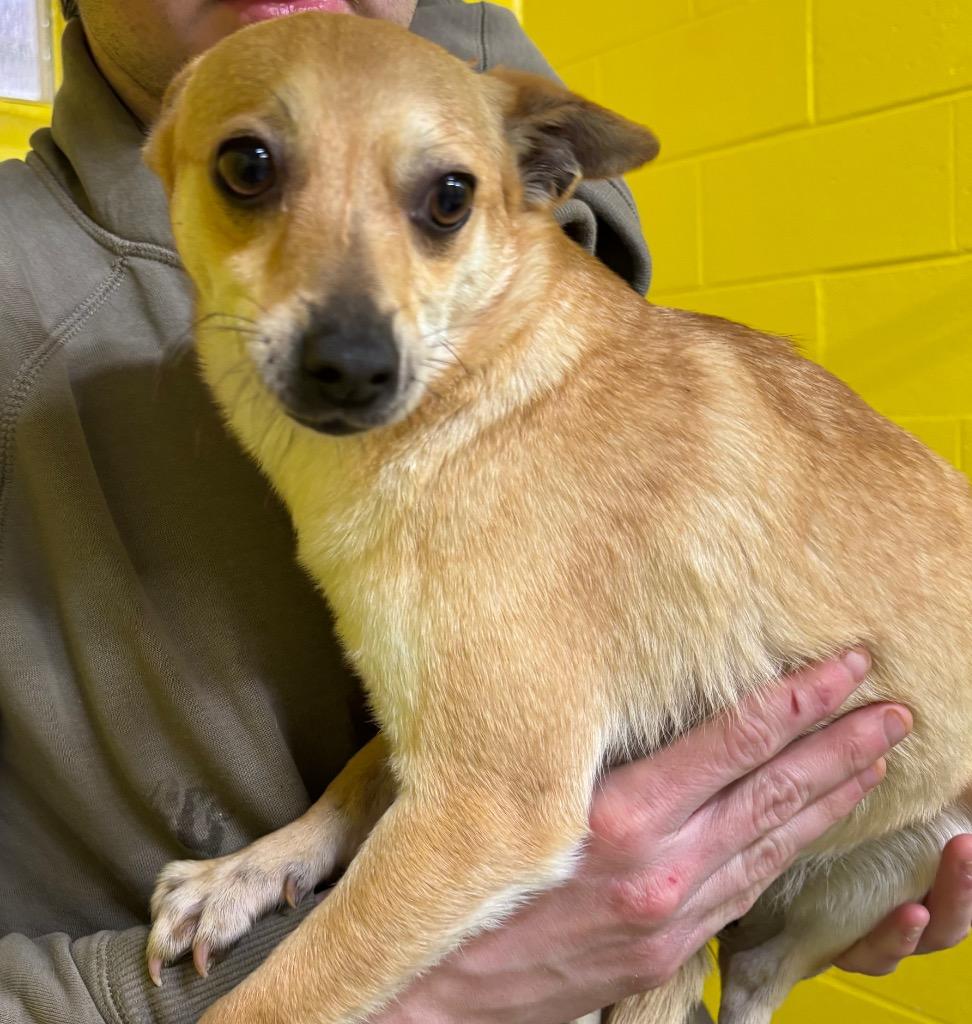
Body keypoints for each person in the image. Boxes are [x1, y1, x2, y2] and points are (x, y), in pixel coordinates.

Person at [0, 2, 968, 1022]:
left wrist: (764, 872)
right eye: (254, 171)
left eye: (443, 198)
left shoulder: (565, 303)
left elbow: (500, 725)